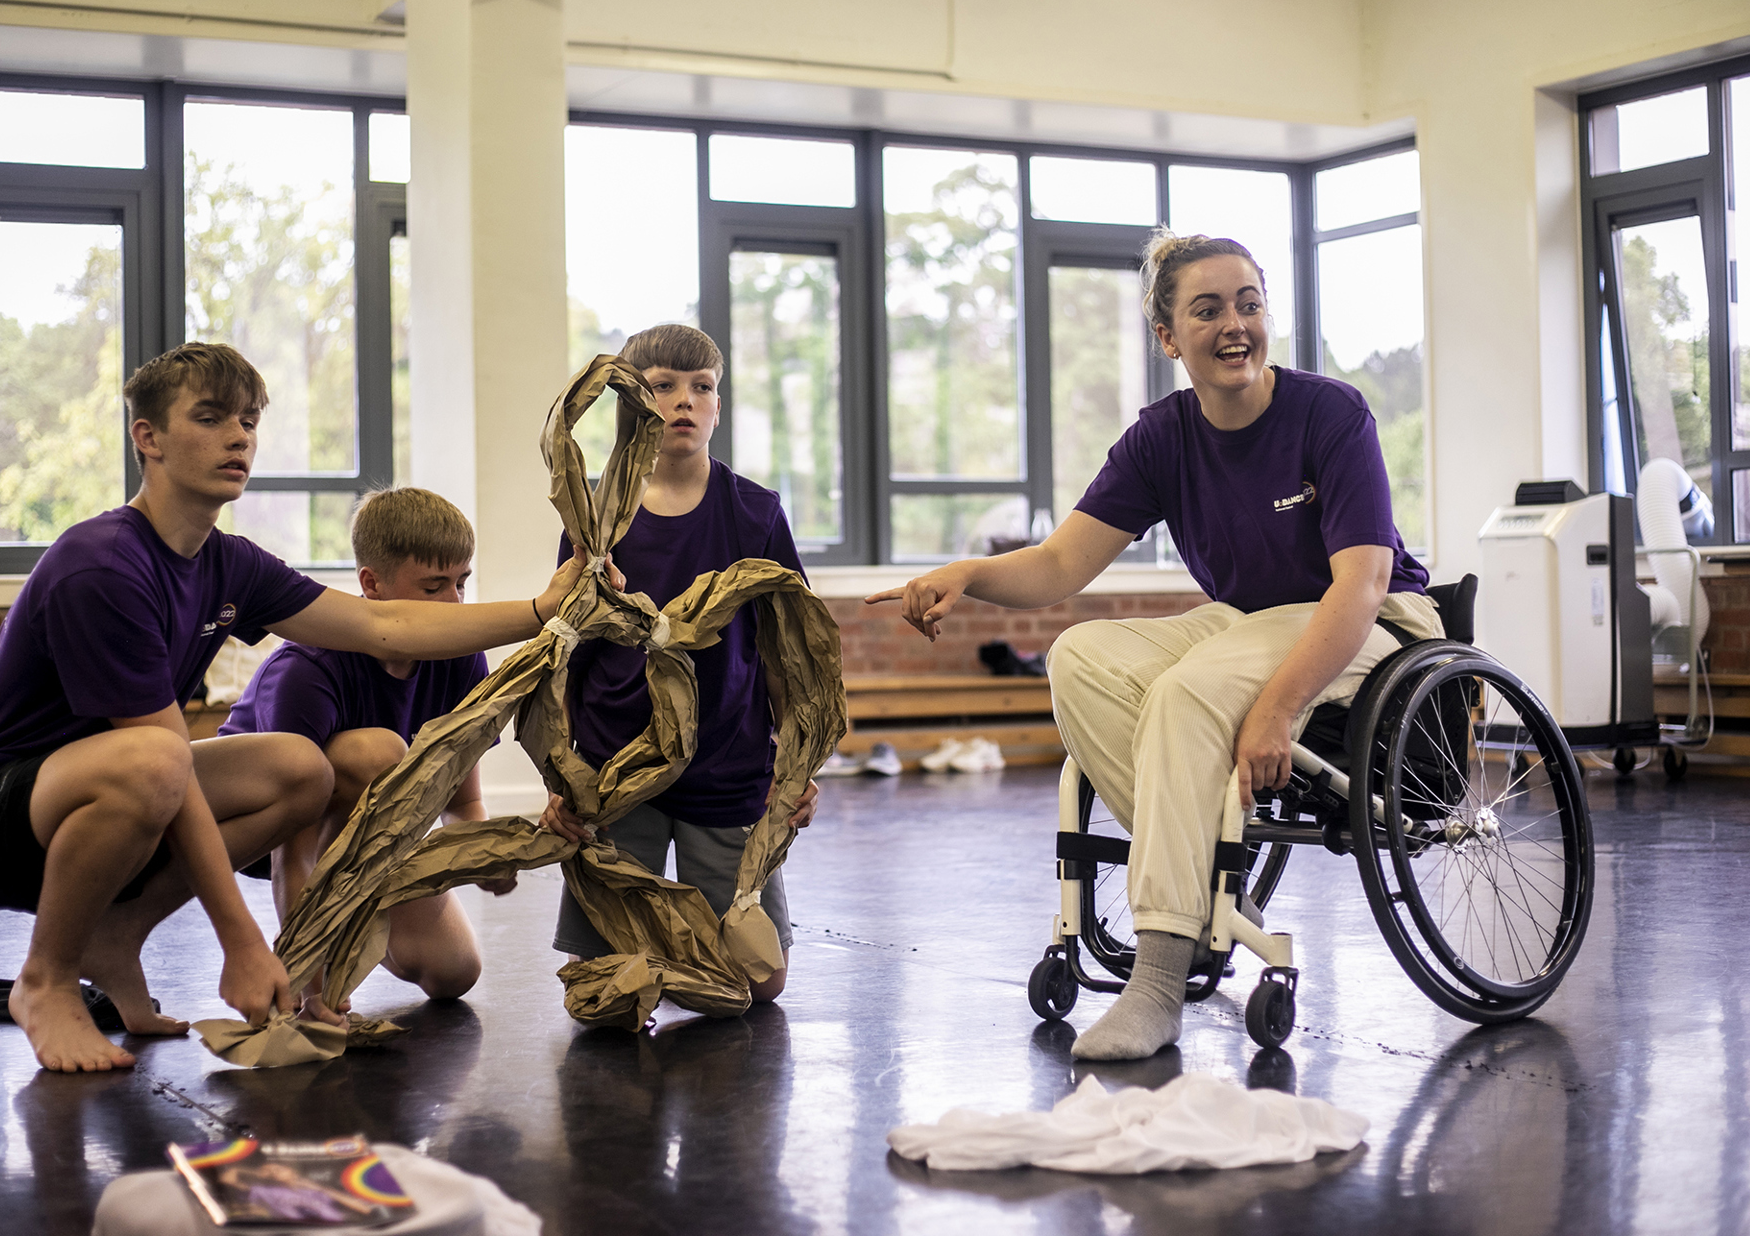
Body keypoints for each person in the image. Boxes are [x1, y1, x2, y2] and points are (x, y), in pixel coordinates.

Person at [0, 342, 599, 1074]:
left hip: (110, 790)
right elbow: (164, 768)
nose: (238, 437)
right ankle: (44, 979)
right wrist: (244, 941)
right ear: (148, 438)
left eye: (247, 421)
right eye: (209, 419)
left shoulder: (229, 562)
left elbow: (381, 624)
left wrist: (539, 610)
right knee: (155, 757)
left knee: (298, 768)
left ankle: (116, 939)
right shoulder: (104, 564)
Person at [869, 232, 1437, 1060]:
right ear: (1168, 338)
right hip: (1251, 618)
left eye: (1249, 302)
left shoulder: (1329, 413)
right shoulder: (1161, 437)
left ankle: (1161, 977)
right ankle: (1200, 871)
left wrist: (1277, 709)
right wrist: (967, 573)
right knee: (1081, 656)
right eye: (1207, 310)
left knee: (1187, 691)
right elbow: (1063, 563)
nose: (1235, 323)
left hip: (1373, 617)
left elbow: (1361, 582)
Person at [537, 324, 820, 1002]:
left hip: (726, 765)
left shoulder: (755, 513)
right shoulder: (596, 515)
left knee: (760, 986)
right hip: (616, 767)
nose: (684, 402)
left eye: (702, 388)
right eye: (663, 387)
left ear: (718, 406)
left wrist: (798, 767)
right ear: (632, 403)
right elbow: (563, 658)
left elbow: (789, 655)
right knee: (595, 990)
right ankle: (646, 958)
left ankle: (661, 963)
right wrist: (560, 773)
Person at [220, 486, 513, 1022]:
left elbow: (462, 803)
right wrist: (307, 985)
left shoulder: (462, 657)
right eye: (433, 587)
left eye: (461, 584)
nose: (453, 604)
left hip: (371, 832)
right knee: (379, 750)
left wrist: (484, 854)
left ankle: (355, 919)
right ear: (371, 586)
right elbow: (292, 855)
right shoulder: (307, 669)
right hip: (263, 831)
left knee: (454, 972)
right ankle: (318, 941)